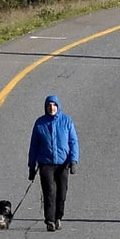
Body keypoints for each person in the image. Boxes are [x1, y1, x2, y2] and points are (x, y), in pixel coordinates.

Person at [27, 94, 79, 231]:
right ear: (45, 107)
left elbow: (73, 142)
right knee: (49, 192)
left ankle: (58, 218)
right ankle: (49, 220)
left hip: (63, 164)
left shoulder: (66, 121)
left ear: (58, 106)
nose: (51, 107)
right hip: (46, 164)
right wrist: (31, 166)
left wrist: (73, 160)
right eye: (49, 105)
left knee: (61, 193)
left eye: (54, 105)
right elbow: (34, 146)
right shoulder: (40, 123)